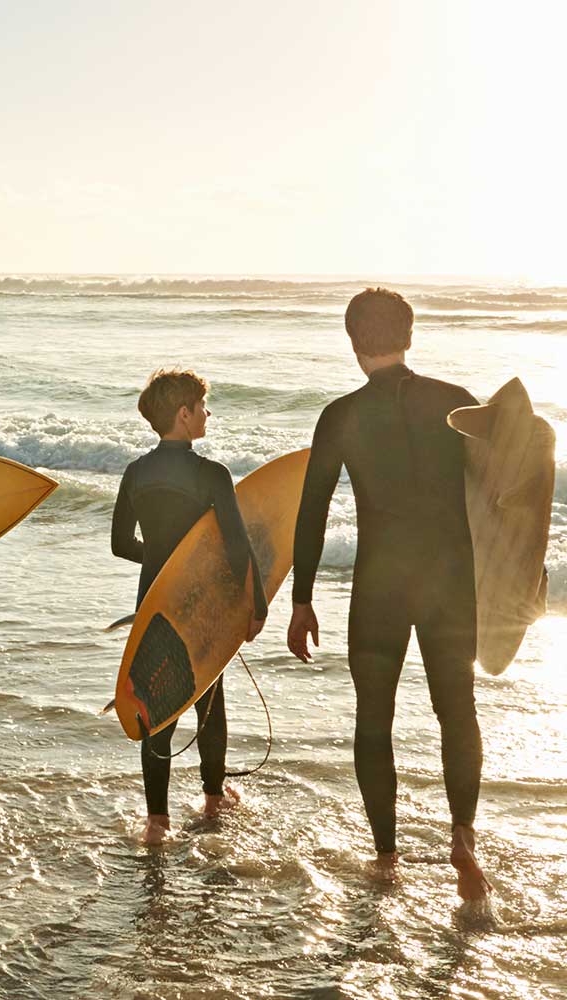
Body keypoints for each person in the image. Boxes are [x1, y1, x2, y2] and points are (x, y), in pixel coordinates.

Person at [288, 287, 488, 901]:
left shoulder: (340, 416)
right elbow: (503, 497)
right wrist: (517, 581)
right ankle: (461, 834)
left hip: (378, 585)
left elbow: (312, 512)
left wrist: (301, 598)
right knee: (457, 708)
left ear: (353, 344)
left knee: (374, 719)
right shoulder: (458, 405)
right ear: (410, 333)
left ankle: (384, 857)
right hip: (450, 583)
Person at [112, 369, 265, 845]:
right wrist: (254, 606)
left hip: (153, 603)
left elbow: (120, 544)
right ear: (183, 414)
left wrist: (163, 560)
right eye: (202, 407)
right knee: (208, 700)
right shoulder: (212, 474)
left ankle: (156, 821)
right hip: (202, 606)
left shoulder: (135, 472)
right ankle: (213, 798)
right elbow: (238, 548)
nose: (207, 414)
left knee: (156, 706)